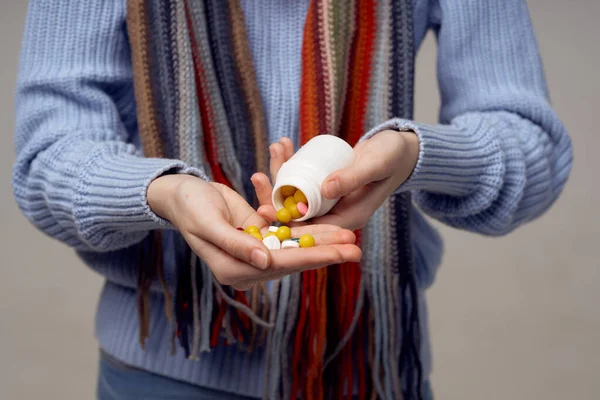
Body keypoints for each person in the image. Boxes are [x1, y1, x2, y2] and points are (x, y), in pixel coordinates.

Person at [12, 0, 572, 399]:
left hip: (371, 369)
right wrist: (167, 193)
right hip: (165, 372)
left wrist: (416, 155)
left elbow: (532, 151)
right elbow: (49, 157)